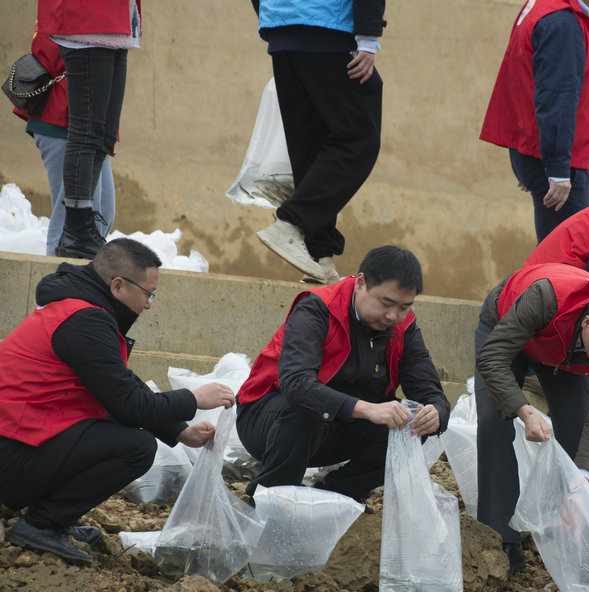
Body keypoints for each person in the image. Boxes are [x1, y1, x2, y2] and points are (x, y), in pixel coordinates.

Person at [0, 239, 235, 563]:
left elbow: (118, 384)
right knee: (135, 446)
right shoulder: (86, 321)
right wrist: (193, 398)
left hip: (20, 440)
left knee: (114, 426)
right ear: (118, 285)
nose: (149, 304)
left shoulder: (77, 308)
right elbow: (128, 405)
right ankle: (40, 523)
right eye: (148, 293)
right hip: (12, 454)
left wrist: (179, 431)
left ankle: (54, 517)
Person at [236, 246, 450, 501]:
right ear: (360, 283)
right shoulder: (317, 308)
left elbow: (431, 393)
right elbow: (296, 384)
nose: (393, 316)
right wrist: (367, 409)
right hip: (267, 420)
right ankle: (270, 496)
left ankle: (338, 497)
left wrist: (435, 414)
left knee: (410, 423)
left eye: (404, 307)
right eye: (386, 303)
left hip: (336, 429)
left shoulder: (403, 326)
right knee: (307, 408)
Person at [475, 263, 589, 572]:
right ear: (588, 324)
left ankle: (584, 539)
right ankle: (503, 540)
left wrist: (580, 482)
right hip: (508, 333)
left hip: (564, 355)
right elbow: (492, 357)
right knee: (494, 421)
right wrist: (524, 411)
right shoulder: (544, 299)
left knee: (581, 441)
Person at [252, 0, 386, 284]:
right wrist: (367, 36)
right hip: (329, 27)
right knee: (359, 138)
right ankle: (292, 222)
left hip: (281, 31)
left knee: (310, 147)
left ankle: (319, 257)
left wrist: (276, 15)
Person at [480, 0, 589, 242]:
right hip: (563, 165)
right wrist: (556, 169)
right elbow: (556, 97)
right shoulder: (561, 21)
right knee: (564, 267)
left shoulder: (549, 9)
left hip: (557, 159)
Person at [38, 0, 140, 260]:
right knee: (87, 133)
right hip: (89, 18)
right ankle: (75, 231)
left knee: (102, 135)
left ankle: (80, 230)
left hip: (117, 22)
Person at [10, 23, 115, 256]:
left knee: (102, 214)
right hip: (63, 115)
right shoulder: (71, 10)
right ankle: (61, 288)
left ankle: (79, 286)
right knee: (70, 222)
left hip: (87, 123)